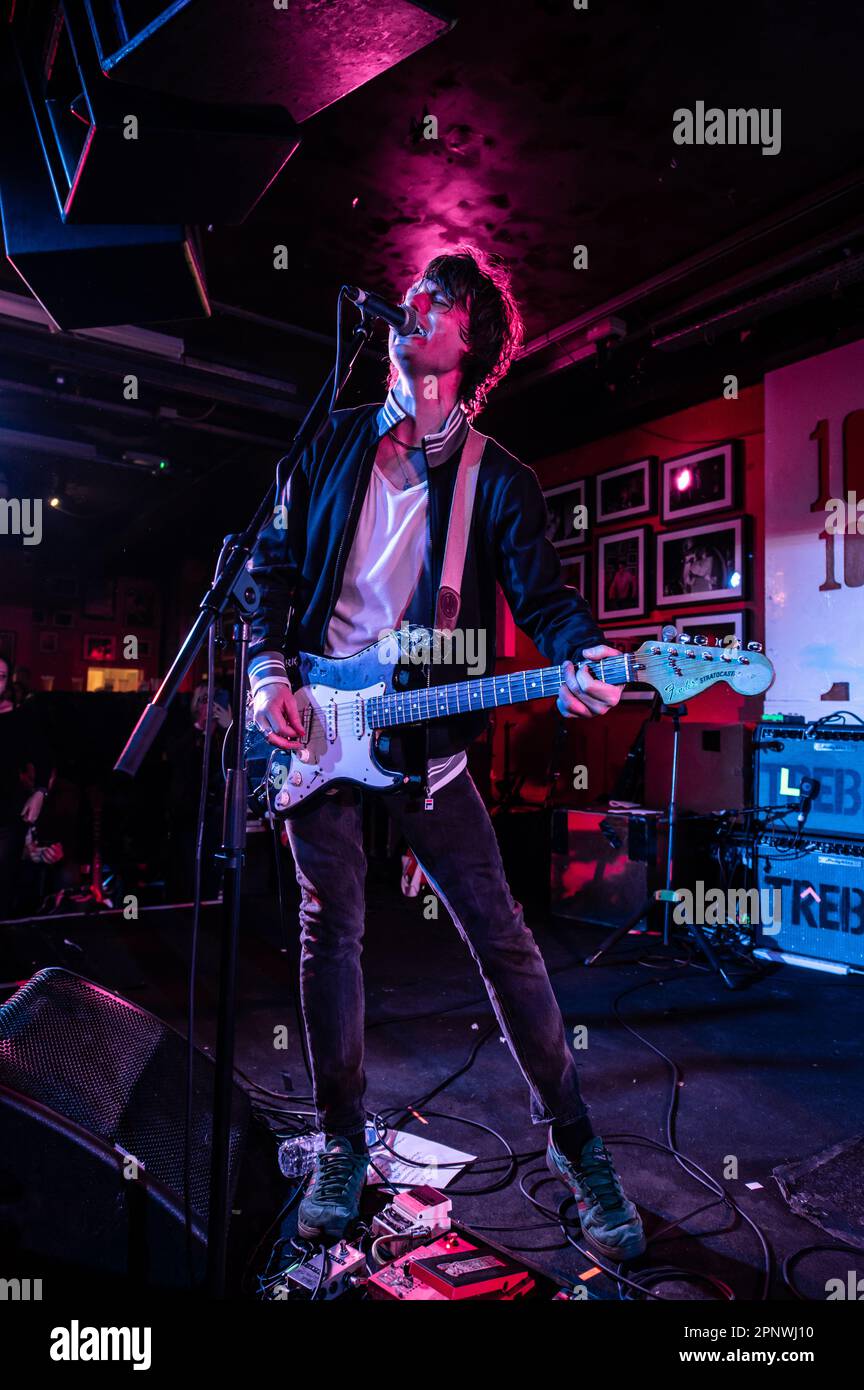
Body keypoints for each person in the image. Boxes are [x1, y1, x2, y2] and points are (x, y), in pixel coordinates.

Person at [248, 246, 646, 1261]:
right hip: (318, 731)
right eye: (410, 292)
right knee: (325, 933)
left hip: (429, 745)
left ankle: (575, 1144)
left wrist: (583, 654)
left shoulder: (497, 479)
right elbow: (270, 569)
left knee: (504, 940)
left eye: (437, 301)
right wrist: (267, 677)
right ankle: (341, 1141)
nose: (410, 304)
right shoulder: (323, 448)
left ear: (470, 346)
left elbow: (547, 602)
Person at [0, 655, 55, 918]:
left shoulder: (18, 719)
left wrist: (40, 792)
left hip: (6, 812)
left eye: (0, 676)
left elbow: (44, 757)